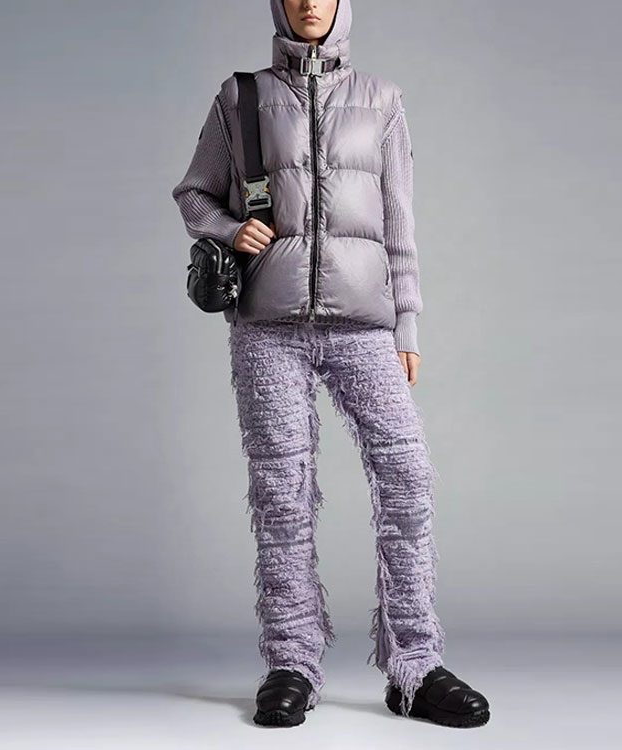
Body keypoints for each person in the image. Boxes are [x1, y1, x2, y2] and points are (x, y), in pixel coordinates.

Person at [172, 0, 490, 729]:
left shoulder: (382, 100)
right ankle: (292, 662)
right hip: (267, 327)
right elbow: (194, 193)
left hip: (364, 325)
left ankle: (415, 667)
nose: (309, 2)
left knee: (407, 479)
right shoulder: (242, 98)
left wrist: (407, 323)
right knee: (282, 495)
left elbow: (400, 220)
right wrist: (230, 227)